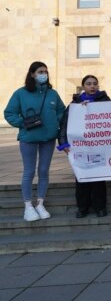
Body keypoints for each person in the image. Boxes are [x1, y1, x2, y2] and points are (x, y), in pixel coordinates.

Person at [4, 62, 65, 222]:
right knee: (29, 171)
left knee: (44, 170)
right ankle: (28, 206)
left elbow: (61, 110)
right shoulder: (21, 93)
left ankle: (40, 203)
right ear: (32, 74)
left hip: (48, 137)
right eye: (40, 71)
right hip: (29, 137)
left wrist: (54, 122)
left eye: (45, 71)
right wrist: (21, 123)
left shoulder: (52, 93)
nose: (43, 74)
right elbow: (9, 112)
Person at [58, 75, 111, 218]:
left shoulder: (106, 101)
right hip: (80, 146)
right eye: (89, 84)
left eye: (95, 83)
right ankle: (82, 207)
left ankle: (100, 207)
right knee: (81, 177)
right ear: (83, 87)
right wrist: (63, 142)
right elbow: (65, 124)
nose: (92, 86)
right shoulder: (74, 104)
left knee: (98, 178)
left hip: (99, 145)